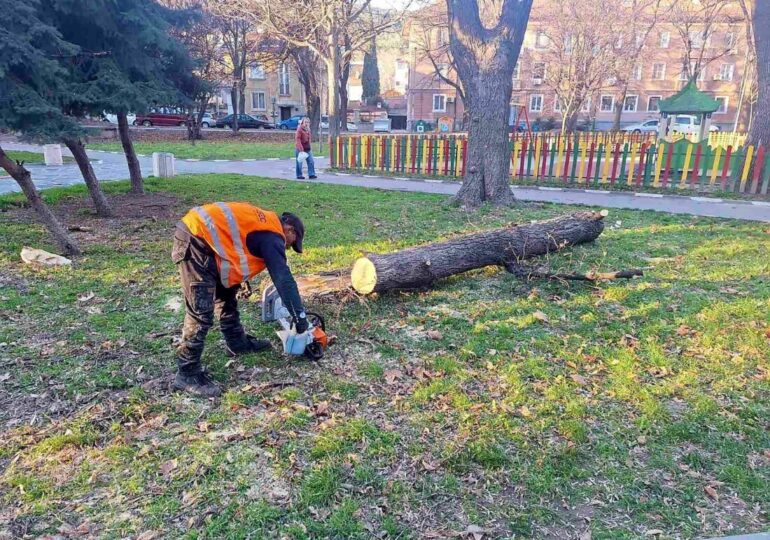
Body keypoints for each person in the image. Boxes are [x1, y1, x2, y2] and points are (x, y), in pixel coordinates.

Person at [171, 203, 309, 397]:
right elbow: (283, 279)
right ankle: (187, 373)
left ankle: (236, 343)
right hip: (196, 240)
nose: (287, 247)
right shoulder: (272, 234)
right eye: (291, 243)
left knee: (226, 293)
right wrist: (299, 316)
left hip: (207, 243)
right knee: (200, 311)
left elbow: (235, 243)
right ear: (289, 229)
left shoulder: (263, 225)